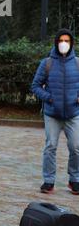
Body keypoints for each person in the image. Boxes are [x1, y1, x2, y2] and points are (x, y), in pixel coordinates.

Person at [32, 28, 79, 195]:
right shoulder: (47, 63)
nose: (64, 44)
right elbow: (35, 86)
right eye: (61, 41)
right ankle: (49, 181)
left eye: (67, 41)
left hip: (73, 114)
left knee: (75, 147)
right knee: (50, 146)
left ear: (71, 43)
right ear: (56, 43)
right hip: (52, 113)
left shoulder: (77, 63)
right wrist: (49, 98)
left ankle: (74, 180)